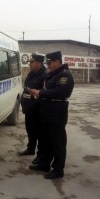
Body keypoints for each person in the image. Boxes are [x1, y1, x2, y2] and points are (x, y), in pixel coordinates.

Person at [28, 51, 74, 179]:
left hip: (57, 111)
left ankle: (58, 169)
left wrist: (40, 93)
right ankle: (44, 163)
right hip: (47, 111)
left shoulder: (64, 75)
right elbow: (47, 89)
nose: (48, 65)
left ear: (57, 62)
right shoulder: (53, 74)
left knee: (57, 142)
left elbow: (60, 92)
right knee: (45, 140)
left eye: (50, 62)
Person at [19, 53, 47, 156]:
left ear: (39, 63)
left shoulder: (44, 75)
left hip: (37, 110)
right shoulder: (32, 73)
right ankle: (30, 149)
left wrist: (32, 106)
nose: (29, 64)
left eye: (32, 62)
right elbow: (26, 89)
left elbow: (43, 94)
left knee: (39, 133)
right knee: (30, 130)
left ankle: (40, 156)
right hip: (29, 109)